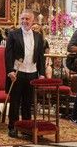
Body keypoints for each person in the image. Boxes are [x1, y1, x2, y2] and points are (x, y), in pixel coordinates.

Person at [4, 9, 46, 138]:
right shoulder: (13, 34)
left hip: (32, 73)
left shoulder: (38, 36)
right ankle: (13, 127)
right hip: (18, 73)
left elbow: (40, 56)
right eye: (22, 19)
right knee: (15, 102)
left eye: (27, 19)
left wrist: (42, 73)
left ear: (32, 20)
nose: (24, 21)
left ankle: (27, 128)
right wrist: (10, 71)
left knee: (28, 102)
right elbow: (8, 55)